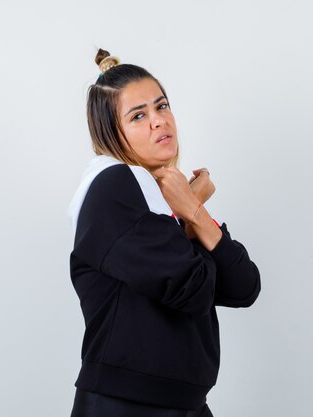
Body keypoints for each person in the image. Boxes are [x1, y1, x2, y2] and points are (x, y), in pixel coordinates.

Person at [66, 48, 262, 417]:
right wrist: (190, 207)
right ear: (112, 132)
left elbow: (244, 286)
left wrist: (192, 210)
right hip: (126, 406)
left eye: (162, 106)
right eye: (138, 115)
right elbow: (193, 288)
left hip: (182, 405)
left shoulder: (158, 199)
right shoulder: (115, 185)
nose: (159, 121)